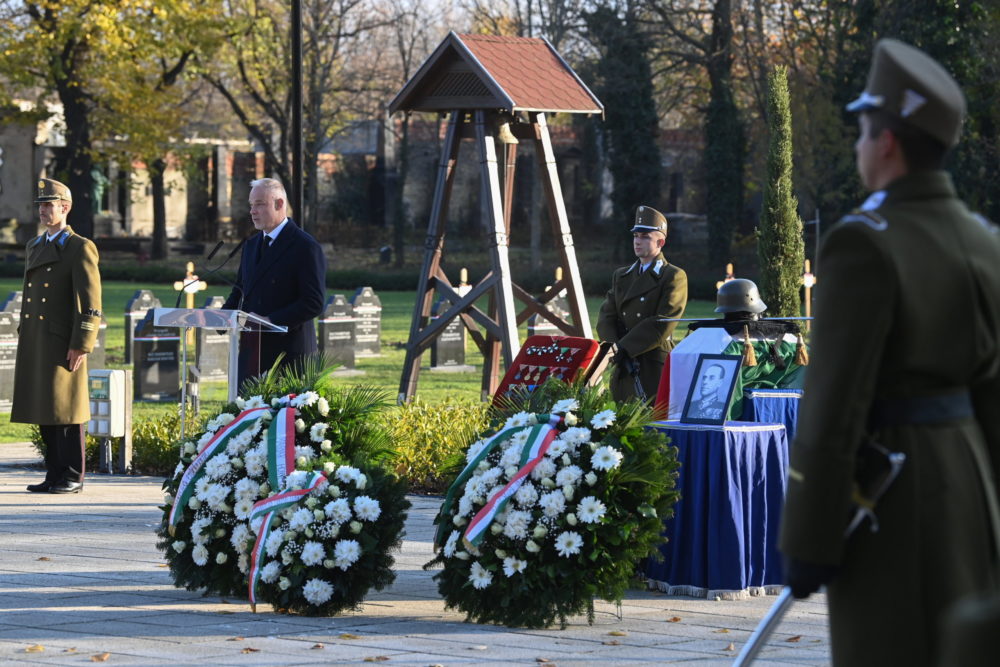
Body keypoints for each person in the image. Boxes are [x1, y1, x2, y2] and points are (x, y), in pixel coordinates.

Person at [778, 39, 1000, 666]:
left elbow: (833, 406)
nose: (857, 148)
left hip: (897, 500)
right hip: (972, 486)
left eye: (862, 132)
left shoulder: (862, 246)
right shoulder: (984, 240)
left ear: (888, 142)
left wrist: (808, 536)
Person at [14, 178, 102, 494]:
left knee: (67, 410)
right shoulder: (34, 246)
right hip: (38, 339)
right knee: (45, 408)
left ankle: (73, 476)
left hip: (63, 341)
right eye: (40, 205)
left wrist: (81, 344)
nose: (43, 211)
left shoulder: (80, 247)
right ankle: (53, 474)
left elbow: (90, 303)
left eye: (49, 205)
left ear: (65, 208)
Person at [222, 178, 326, 389]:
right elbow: (241, 291)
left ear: (279, 204)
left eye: (259, 204)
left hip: (289, 358)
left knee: (282, 421)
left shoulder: (305, 246)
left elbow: (313, 302)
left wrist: (270, 320)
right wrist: (220, 318)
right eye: (251, 205)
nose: (252, 211)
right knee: (249, 419)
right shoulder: (251, 246)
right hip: (252, 354)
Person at [597, 205, 688, 403]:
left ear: (661, 242)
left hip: (652, 365)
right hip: (623, 363)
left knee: (652, 425)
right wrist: (613, 349)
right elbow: (606, 316)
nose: (638, 241)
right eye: (636, 236)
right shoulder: (621, 275)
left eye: (645, 237)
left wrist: (624, 348)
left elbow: (663, 322)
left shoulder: (672, 276)